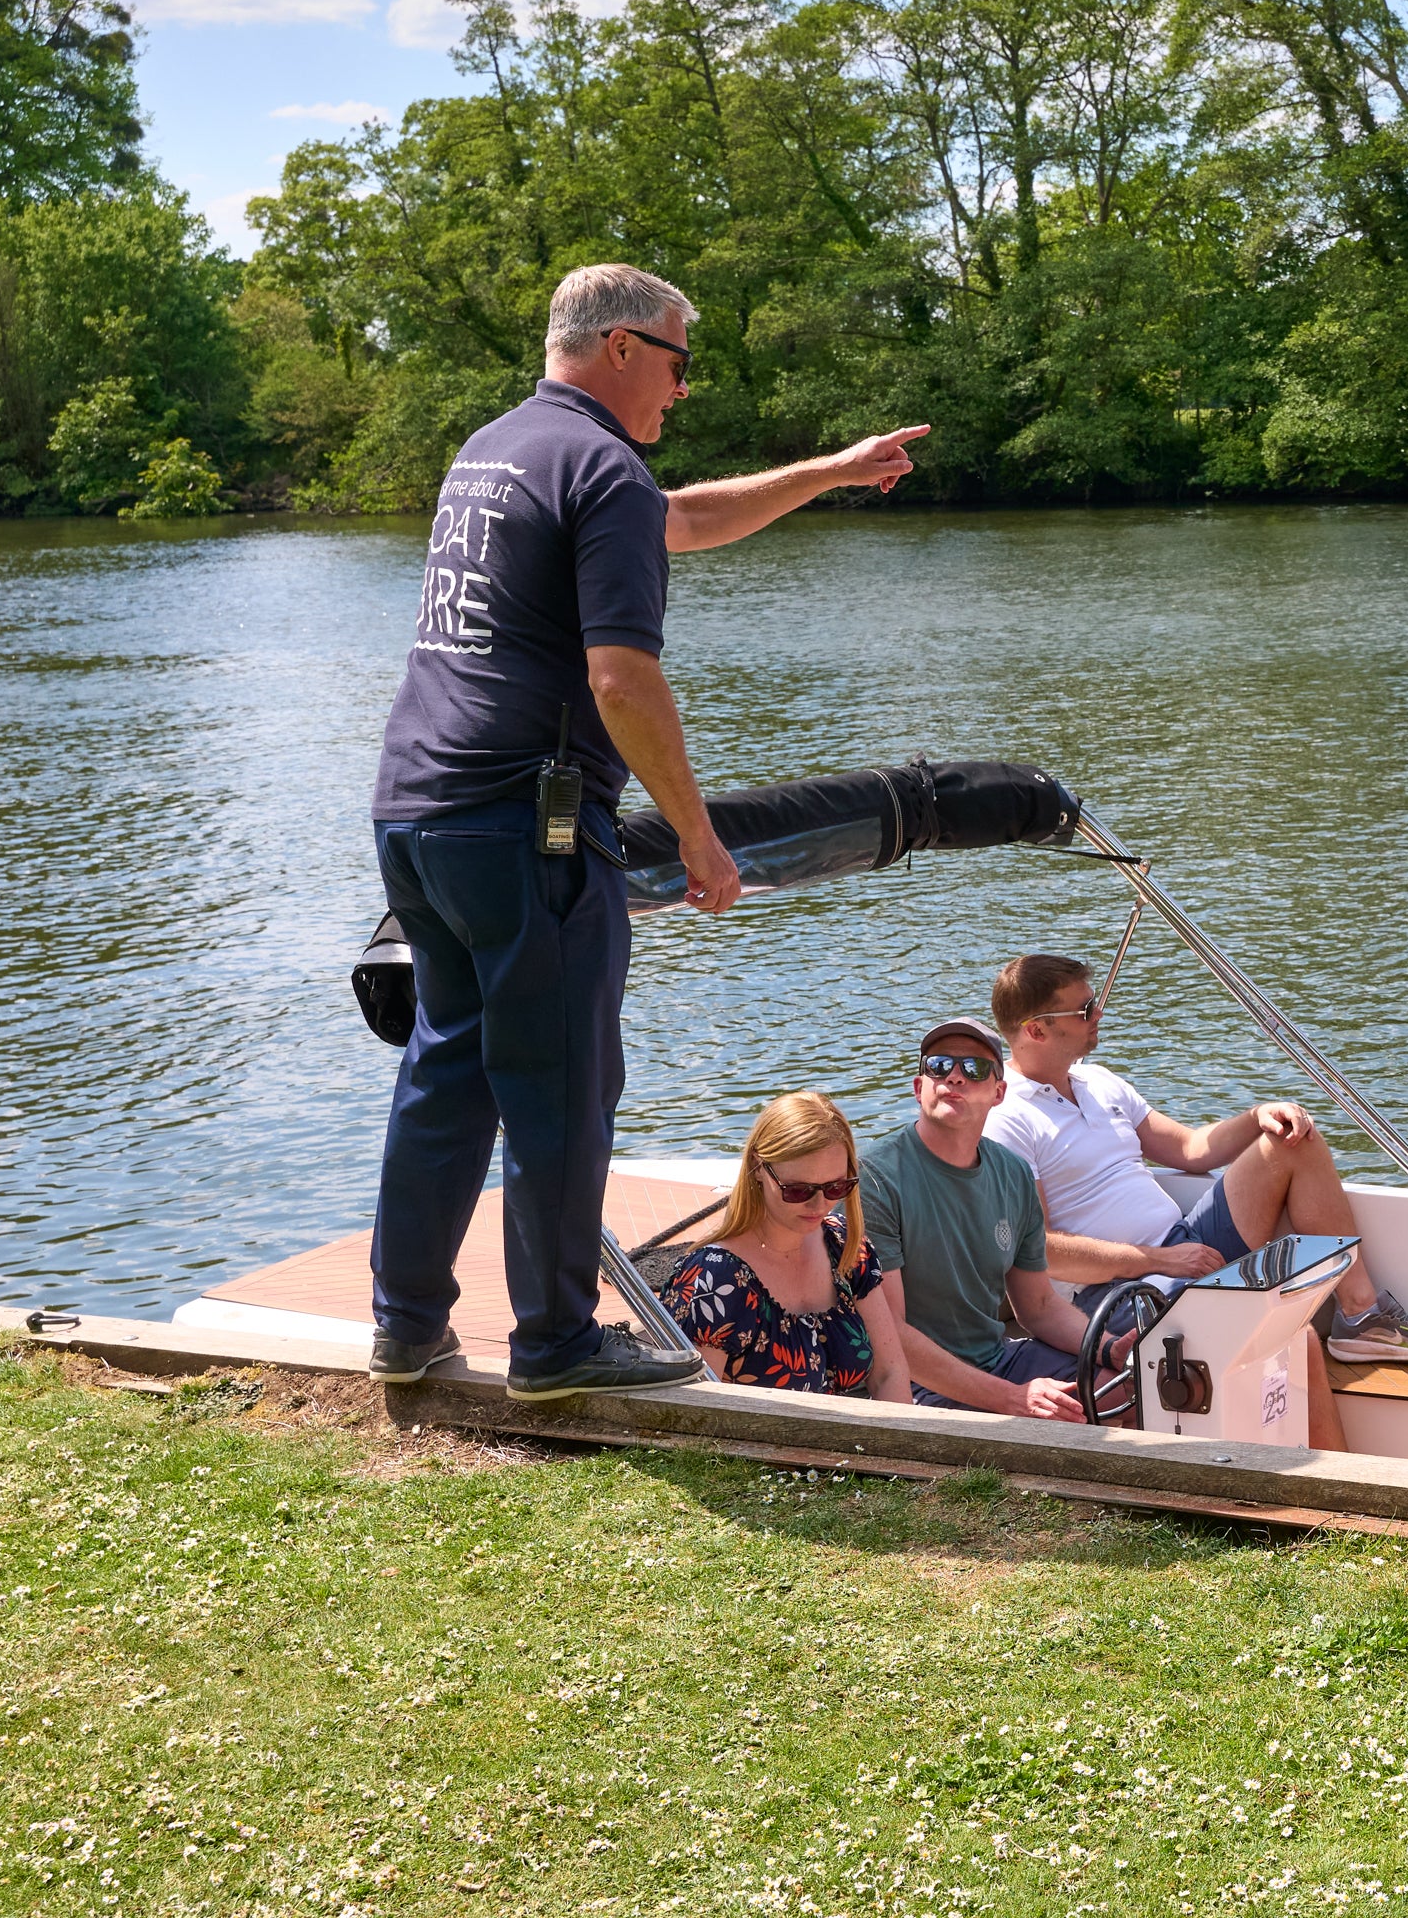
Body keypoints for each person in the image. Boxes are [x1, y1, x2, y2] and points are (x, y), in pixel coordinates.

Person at [368, 262, 929, 1402]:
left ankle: (407, 1324)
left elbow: (678, 518)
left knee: (448, 1069)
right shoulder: (603, 470)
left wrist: (827, 472)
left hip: (418, 811)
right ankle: (557, 1343)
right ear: (621, 346)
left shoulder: (499, 449)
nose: (683, 390)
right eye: (678, 361)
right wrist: (699, 840)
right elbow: (620, 678)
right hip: (532, 827)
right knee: (561, 1083)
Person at [982, 953, 1408, 1364]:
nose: (1099, 1012)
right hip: (1116, 1295)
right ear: (1037, 1030)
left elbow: (1190, 1150)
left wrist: (1258, 1117)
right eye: (1085, 1008)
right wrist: (1159, 1259)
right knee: (1287, 1335)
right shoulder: (1007, 1119)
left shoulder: (1099, 1082)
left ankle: (1363, 1317)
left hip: (1184, 1245)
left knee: (1294, 1139)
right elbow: (1042, 1249)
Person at [858, 1020, 1099, 1421]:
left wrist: (1112, 1347)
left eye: (974, 1069)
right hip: (918, 1383)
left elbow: (1038, 1306)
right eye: (938, 1066)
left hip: (997, 1359)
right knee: (1071, 1418)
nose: (954, 1076)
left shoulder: (1014, 1173)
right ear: (920, 1088)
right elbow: (891, 1336)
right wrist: (1011, 1399)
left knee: (1128, 1389)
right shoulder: (876, 1179)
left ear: (998, 1093)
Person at [662, 1092, 910, 1400]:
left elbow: (890, 1373)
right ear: (758, 1168)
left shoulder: (846, 1245)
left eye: (836, 1186)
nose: (821, 1204)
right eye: (798, 1190)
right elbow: (696, 1411)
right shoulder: (714, 1279)